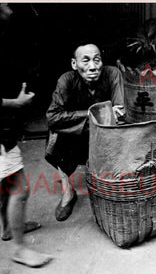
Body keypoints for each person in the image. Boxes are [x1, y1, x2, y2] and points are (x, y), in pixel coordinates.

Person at [0, 3, 52, 268]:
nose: (9, 10)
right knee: (19, 190)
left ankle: (8, 228)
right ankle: (20, 249)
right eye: (5, 5)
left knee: (3, 182)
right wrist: (16, 103)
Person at [45, 42, 125, 221]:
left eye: (97, 60)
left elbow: (119, 112)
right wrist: (92, 113)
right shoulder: (66, 80)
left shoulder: (113, 73)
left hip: (104, 131)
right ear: (75, 64)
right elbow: (52, 116)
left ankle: (109, 188)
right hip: (74, 133)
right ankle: (68, 192)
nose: (93, 67)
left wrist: (101, 117)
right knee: (56, 137)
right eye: (86, 61)